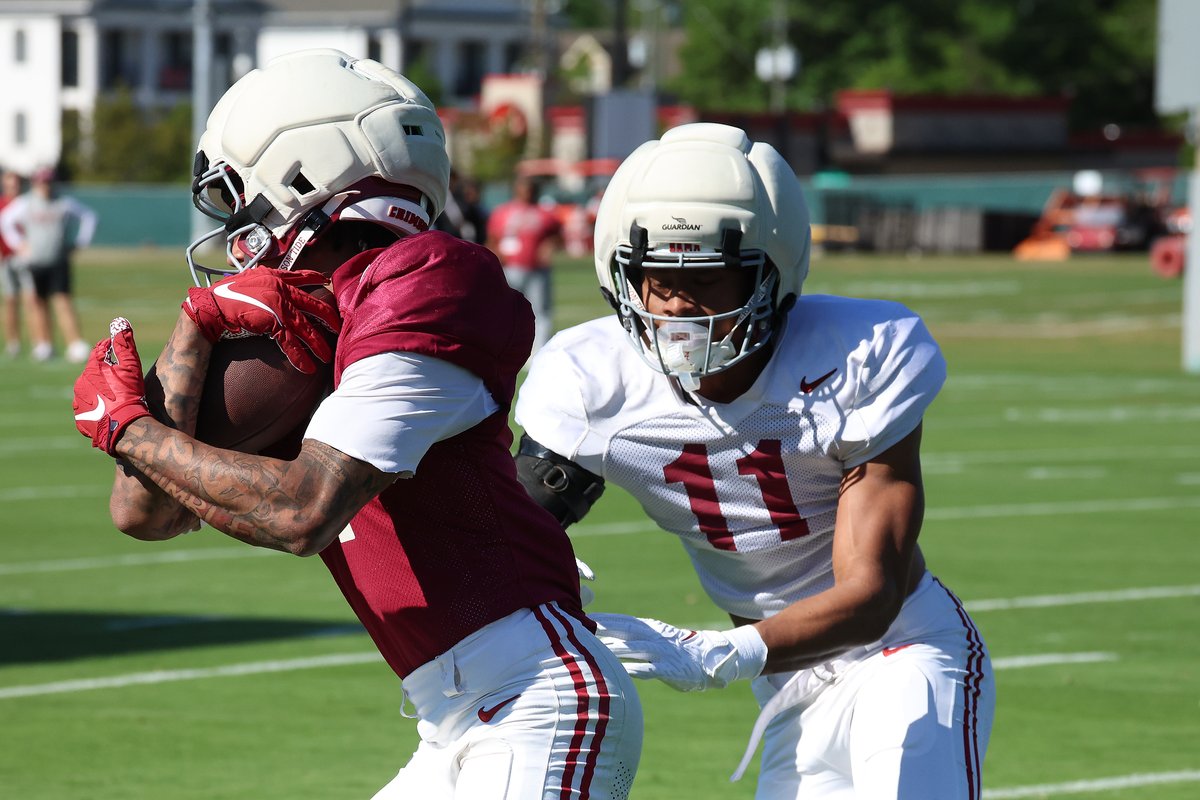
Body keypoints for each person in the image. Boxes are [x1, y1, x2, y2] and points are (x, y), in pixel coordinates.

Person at [70, 49, 641, 799]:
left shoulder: (430, 277)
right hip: (457, 717)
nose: (238, 220)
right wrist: (193, 332)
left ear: (302, 176)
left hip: (535, 698)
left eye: (239, 192)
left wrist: (129, 426)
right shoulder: (317, 322)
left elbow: (299, 510)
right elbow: (144, 510)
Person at [514, 123, 995, 799]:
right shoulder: (591, 380)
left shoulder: (859, 354)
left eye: (709, 276)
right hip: (783, 686)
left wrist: (721, 654)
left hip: (898, 651)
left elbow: (872, 594)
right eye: (658, 276)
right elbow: (502, 533)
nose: (680, 302)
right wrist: (529, 567)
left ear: (772, 273)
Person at [0, 165, 98, 362]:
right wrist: (20, 245)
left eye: (48, 181)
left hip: (57, 260)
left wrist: (79, 243)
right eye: (41, 182)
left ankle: (74, 343)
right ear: (35, 183)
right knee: (38, 303)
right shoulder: (24, 203)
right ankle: (44, 344)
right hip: (35, 262)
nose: (45, 186)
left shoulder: (63, 202)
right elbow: (6, 222)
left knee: (62, 301)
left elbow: (90, 217)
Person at [486, 174, 562, 354]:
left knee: (541, 311)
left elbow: (557, 235)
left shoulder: (544, 213)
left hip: (537, 269)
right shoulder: (502, 212)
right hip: (510, 267)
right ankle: (504, 349)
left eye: (530, 188)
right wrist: (496, 256)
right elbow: (492, 239)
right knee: (505, 310)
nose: (527, 192)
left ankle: (539, 352)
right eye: (523, 188)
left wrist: (550, 245)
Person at [0, 169, 23, 357]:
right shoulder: (1, 205)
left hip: (25, 259)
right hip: (6, 259)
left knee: (33, 299)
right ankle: (13, 342)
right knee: (10, 300)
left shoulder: (25, 204)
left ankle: (41, 342)